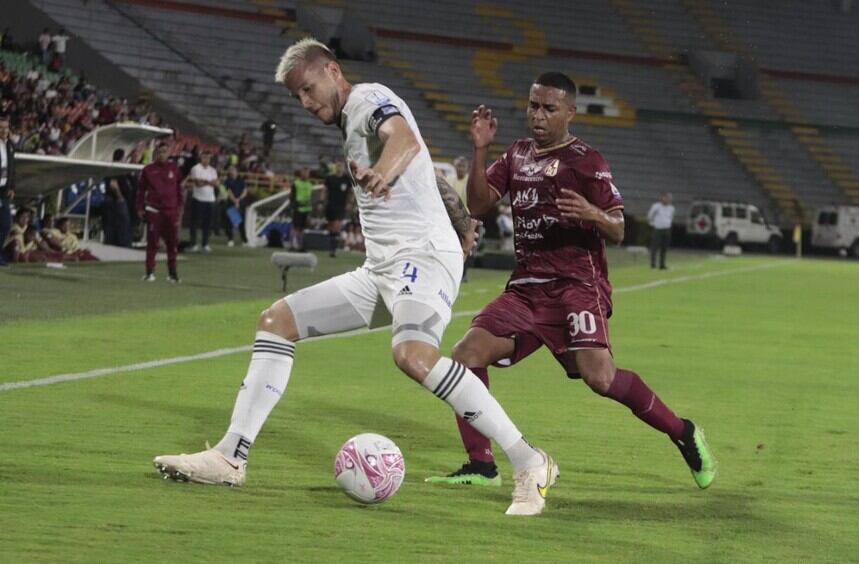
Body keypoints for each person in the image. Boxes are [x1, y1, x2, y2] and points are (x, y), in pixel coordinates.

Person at [153, 38, 557, 516]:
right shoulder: (351, 122)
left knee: (413, 355)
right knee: (276, 322)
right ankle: (229, 457)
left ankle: (529, 460)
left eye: (308, 89)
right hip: (382, 268)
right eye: (297, 97)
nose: (305, 103)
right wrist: (462, 218)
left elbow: (403, 140)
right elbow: (426, 170)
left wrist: (383, 172)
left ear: (332, 71)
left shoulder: (366, 100)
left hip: (421, 258)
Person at [425, 73, 717, 491]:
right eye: (533, 106)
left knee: (600, 378)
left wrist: (592, 214)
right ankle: (481, 464)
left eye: (549, 108)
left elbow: (618, 229)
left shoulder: (587, 162)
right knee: (466, 354)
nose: (538, 116)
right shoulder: (517, 154)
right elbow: (479, 204)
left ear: (570, 113)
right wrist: (480, 149)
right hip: (526, 288)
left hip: (576, 287)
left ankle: (683, 432)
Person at [137, 142, 183, 282]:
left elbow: (179, 190)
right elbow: (141, 190)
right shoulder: (148, 170)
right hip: (154, 210)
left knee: (172, 244)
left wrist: (180, 208)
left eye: (165, 151)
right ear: (156, 153)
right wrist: (140, 208)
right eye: (160, 152)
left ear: (169, 153)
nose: (162, 154)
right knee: (152, 243)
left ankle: (172, 273)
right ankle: (150, 272)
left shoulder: (174, 169)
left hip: (171, 211)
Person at [186, 150, 217, 252]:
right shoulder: (195, 168)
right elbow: (198, 184)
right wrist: (209, 182)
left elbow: (215, 184)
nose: (206, 160)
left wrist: (204, 181)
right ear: (201, 158)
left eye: (208, 158)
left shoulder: (213, 170)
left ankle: (205, 244)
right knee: (194, 223)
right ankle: (193, 244)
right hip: (198, 199)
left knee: (207, 224)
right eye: (204, 157)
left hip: (210, 199)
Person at [323, 158, 351, 257]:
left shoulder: (347, 179)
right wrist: (322, 202)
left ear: (344, 167)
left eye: (341, 166)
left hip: (341, 206)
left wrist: (349, 203)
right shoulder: (330, 178)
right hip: (330, 205)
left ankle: (333, 249)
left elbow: (350, 192)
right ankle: (332, 247)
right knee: (331, 227)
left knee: (336, 226)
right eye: (338, 165)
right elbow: (325, 190)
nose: (339, 167)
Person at [0, 115, 15, 267]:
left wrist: (12, 187)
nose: (4, 130)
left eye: (6, 127)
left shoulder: (10, 145)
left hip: (3, 191)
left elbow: (12, 168)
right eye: (1, 128)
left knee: (5, 224)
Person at [648, 192, 674, 269]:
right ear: (662, 198)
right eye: (666, 198)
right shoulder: (656, 206)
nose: (667, 200)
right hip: (658, 229)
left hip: (667, 229)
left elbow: (671, 217)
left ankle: (662, 264)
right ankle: (653, 264)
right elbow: (650, 215)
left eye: (669, 198)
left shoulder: (671, 208)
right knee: (655, 247)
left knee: (664, 248)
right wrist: (652, 223)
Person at [223, 165, 248, 247]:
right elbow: (229, 192)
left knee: (241, 222)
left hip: (241, 203)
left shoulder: (241, 180)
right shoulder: (227, 180)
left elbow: (245, 191)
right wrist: (235, 201)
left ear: (236, 171)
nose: (232, 171)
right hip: (231, 203)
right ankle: (230, 239)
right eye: (230, 170)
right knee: (229, 222)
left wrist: (239, 200)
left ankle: (244, 240)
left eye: (233, 170)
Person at [290, 167, 314, 251]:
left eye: (307, 173)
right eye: (304, 172)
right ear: (301, 173)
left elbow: (310, 197)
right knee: (295, 227)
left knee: (302, 228)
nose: (306, 174)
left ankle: (301, 245)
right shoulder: (296, 183)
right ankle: (293, 245)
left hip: (307, 209)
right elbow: (292, 196)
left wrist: (310, 210)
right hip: (298, 208)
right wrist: (293, 207)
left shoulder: (310, 184)